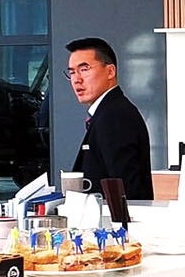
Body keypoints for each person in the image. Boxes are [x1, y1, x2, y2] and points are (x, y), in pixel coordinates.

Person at [64, 37, 153, 200]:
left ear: (110, 71)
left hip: (115, 216)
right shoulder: (108, 111)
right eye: (72, 72)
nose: (76, 79)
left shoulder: (115, 115)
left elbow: (124, 188)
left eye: (84, 69)